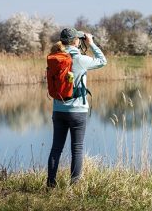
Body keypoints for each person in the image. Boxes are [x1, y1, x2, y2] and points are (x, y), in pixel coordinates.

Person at [47, 27, 107, 187]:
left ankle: (50, 185)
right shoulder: (80, 59)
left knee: (56, 148)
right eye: (78, 39)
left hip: (58, 109)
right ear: (76, 41)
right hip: (77, 111)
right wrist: (92, 43)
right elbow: (103, 61)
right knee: (77, 149)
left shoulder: (55, 57)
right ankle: (73, 185)